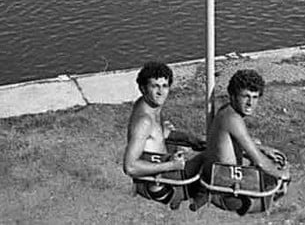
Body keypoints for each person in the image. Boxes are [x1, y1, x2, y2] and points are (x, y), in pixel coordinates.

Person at [197, 69, 290, 214]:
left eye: (255, 97)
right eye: (245, 96)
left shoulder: (227, 110)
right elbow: (260, 162)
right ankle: (214, 198)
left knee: (259, 146)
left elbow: (237, 141)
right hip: (226, 187)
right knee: (276, 178)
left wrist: (263, 148)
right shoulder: (233, 119)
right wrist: (282, 173)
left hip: (221, 175)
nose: (250, 103)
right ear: (233, 96)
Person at [123, 61, 203, 207]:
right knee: (211, 156)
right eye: (155, 86)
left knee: (208, 147)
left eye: (165, 86)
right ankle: (198, 198)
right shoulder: (144, 121)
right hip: (160, 184)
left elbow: (161, 134)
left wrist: (192, 140)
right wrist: (171, 165)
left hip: (163, 169)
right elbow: (130, 167)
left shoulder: (149, 105)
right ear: (143, 88)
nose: (161, 92)